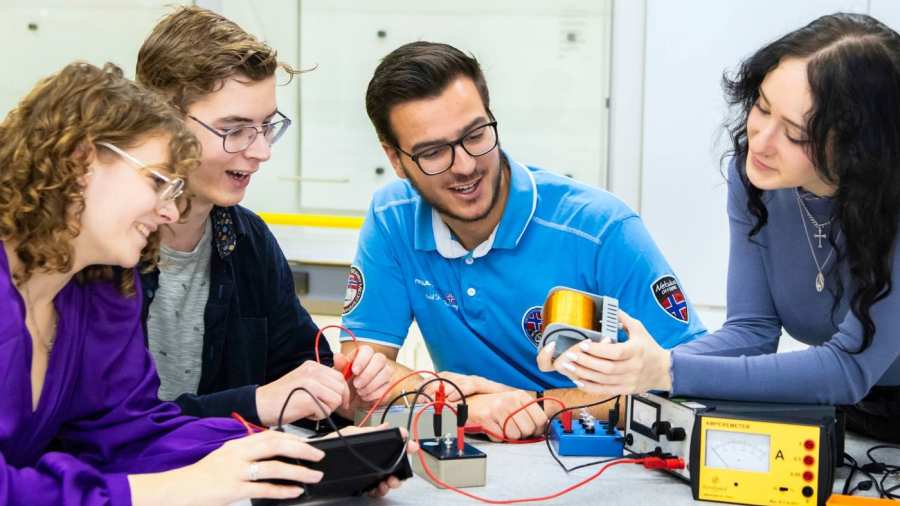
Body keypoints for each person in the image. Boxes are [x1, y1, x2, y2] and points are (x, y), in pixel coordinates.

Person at [540, 12, 900, 444]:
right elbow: (752, 332)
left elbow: (848, 369)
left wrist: (666, 370)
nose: (761, 140)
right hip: (859, 421)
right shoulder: (757, 181)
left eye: (796, 134)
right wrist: (631, 365)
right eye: (762, 107)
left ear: (858, 147)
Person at [0, 60, 342, 505]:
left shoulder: (100, 289)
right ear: (81, 159)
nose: (168, 212)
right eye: (158, 182)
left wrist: (290, 456)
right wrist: (159, 491)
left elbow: (129, 434)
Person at [340, 41, 706, 441]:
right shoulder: (392, 218)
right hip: (476, 458)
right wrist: (464, 405)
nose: (464, 166)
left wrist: (540, 405)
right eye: (432, 152)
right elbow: (361, 377)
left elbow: (688, 377)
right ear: (395, 159)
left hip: (600, 462)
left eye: (476, 135)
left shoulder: (601, 228)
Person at [135, 6, 392, 428]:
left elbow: (299, 369)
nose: (261, 151)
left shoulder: (247, 238)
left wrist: (347, 393)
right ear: (163, 121)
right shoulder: (103, 250)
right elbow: (106, 428)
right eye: (234, 129)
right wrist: (255, 403)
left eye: (267, 126)